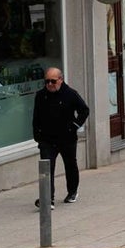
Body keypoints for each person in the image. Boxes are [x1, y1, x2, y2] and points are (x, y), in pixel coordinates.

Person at [32, 67, 90, 209]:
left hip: (67, 139)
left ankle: (72, 192)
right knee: (46, 168)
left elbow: (84, 110)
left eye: (53, 81)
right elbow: (36, 117)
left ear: (60, 80)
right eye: (47, 81)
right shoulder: (40, 95)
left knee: (70, 165)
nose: (50, 84)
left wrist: (74, 126)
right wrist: (37, 136)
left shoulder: (70, 94)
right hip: (47, 140)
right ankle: (48, 199)